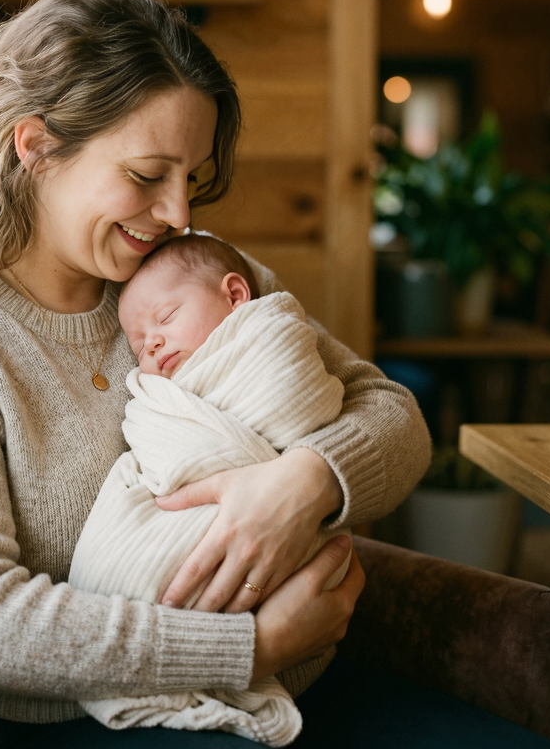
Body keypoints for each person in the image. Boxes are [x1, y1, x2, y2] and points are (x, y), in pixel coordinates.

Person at [0, 0, 550, 747]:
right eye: (148, 176)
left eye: (194, 179)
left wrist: (305, 483)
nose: (179, 214)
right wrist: (251, 646)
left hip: (292, 691)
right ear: (36, 147)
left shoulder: (186, 282)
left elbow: (395, 417)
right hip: (83, 722)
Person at [70, 235, 349, 745]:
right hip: (114, 670)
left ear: (236, 295)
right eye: (138, 345)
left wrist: (310, 478)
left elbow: (371, 404)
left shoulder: (251, 322)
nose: (151, 345)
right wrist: (259, 645)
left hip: (312, 662)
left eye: (166, 318)